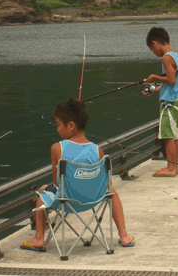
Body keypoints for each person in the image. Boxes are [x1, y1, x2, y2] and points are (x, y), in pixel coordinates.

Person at [20, 98, 135, 251]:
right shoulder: (97, 150)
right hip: (95, 199)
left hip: (68, 201)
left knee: (42, 191)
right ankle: (124, 235)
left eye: (58, 125)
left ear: (71, 126)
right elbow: (107, 183)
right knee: (112, 192)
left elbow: (57, 182)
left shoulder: (57, 148)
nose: (57, 129)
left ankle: (39, 238)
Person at [143, 27, 178, 177]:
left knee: (168, 136)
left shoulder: (166, 58)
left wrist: (154, 77)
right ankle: (176, 167)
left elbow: (171, 80)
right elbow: (172, 82)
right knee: (176, 135)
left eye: (152, 49)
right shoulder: (176, 56)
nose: (154, 53)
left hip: (170, 102)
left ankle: (170, 168)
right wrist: (154, 89)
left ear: (155, 43)